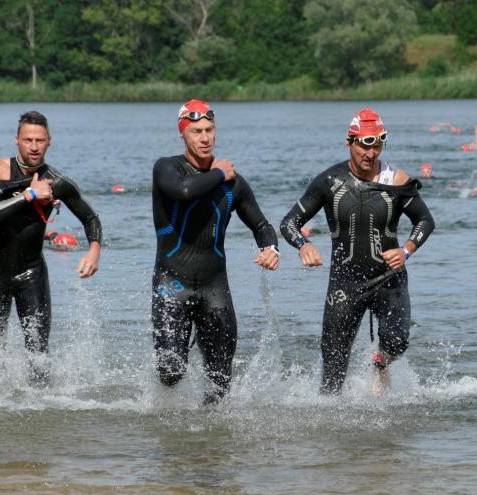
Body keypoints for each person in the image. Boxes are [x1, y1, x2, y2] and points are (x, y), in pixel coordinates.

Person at [280, 108, 435, 395]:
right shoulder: (329, 181)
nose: (371, 153)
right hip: (345, 283)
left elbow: (425, 220)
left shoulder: (395, 179)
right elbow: (289, 223)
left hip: (388, 278)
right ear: (349, 142)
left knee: (397, 342)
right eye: (365, 145)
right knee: (332, 375)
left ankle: (380, 363)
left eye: (377, 146)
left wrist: (406, 250)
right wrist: (304, 245)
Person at [152, 99, 279, 404]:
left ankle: (208, 434)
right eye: (196, 131)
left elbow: (261, 225)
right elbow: (184, 191)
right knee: (171, 372)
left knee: (220, 385)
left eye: (209, 130)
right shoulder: (167, 168)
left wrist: (270, 247)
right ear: (182, 133)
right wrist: (220, 173)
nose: (205, 138)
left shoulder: (234, 184)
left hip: (215, 289)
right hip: (172, 286)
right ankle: (168, 424)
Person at [0, 111, 102, 384]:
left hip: (31, 273)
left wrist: (94, 249)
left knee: (38, 354)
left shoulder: (57, 182)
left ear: (49, 142)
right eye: (28, 139)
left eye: (40, 140)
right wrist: (30, 194)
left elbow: (90, 217)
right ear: (17, 140)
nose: (34, 146)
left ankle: (40, 403)